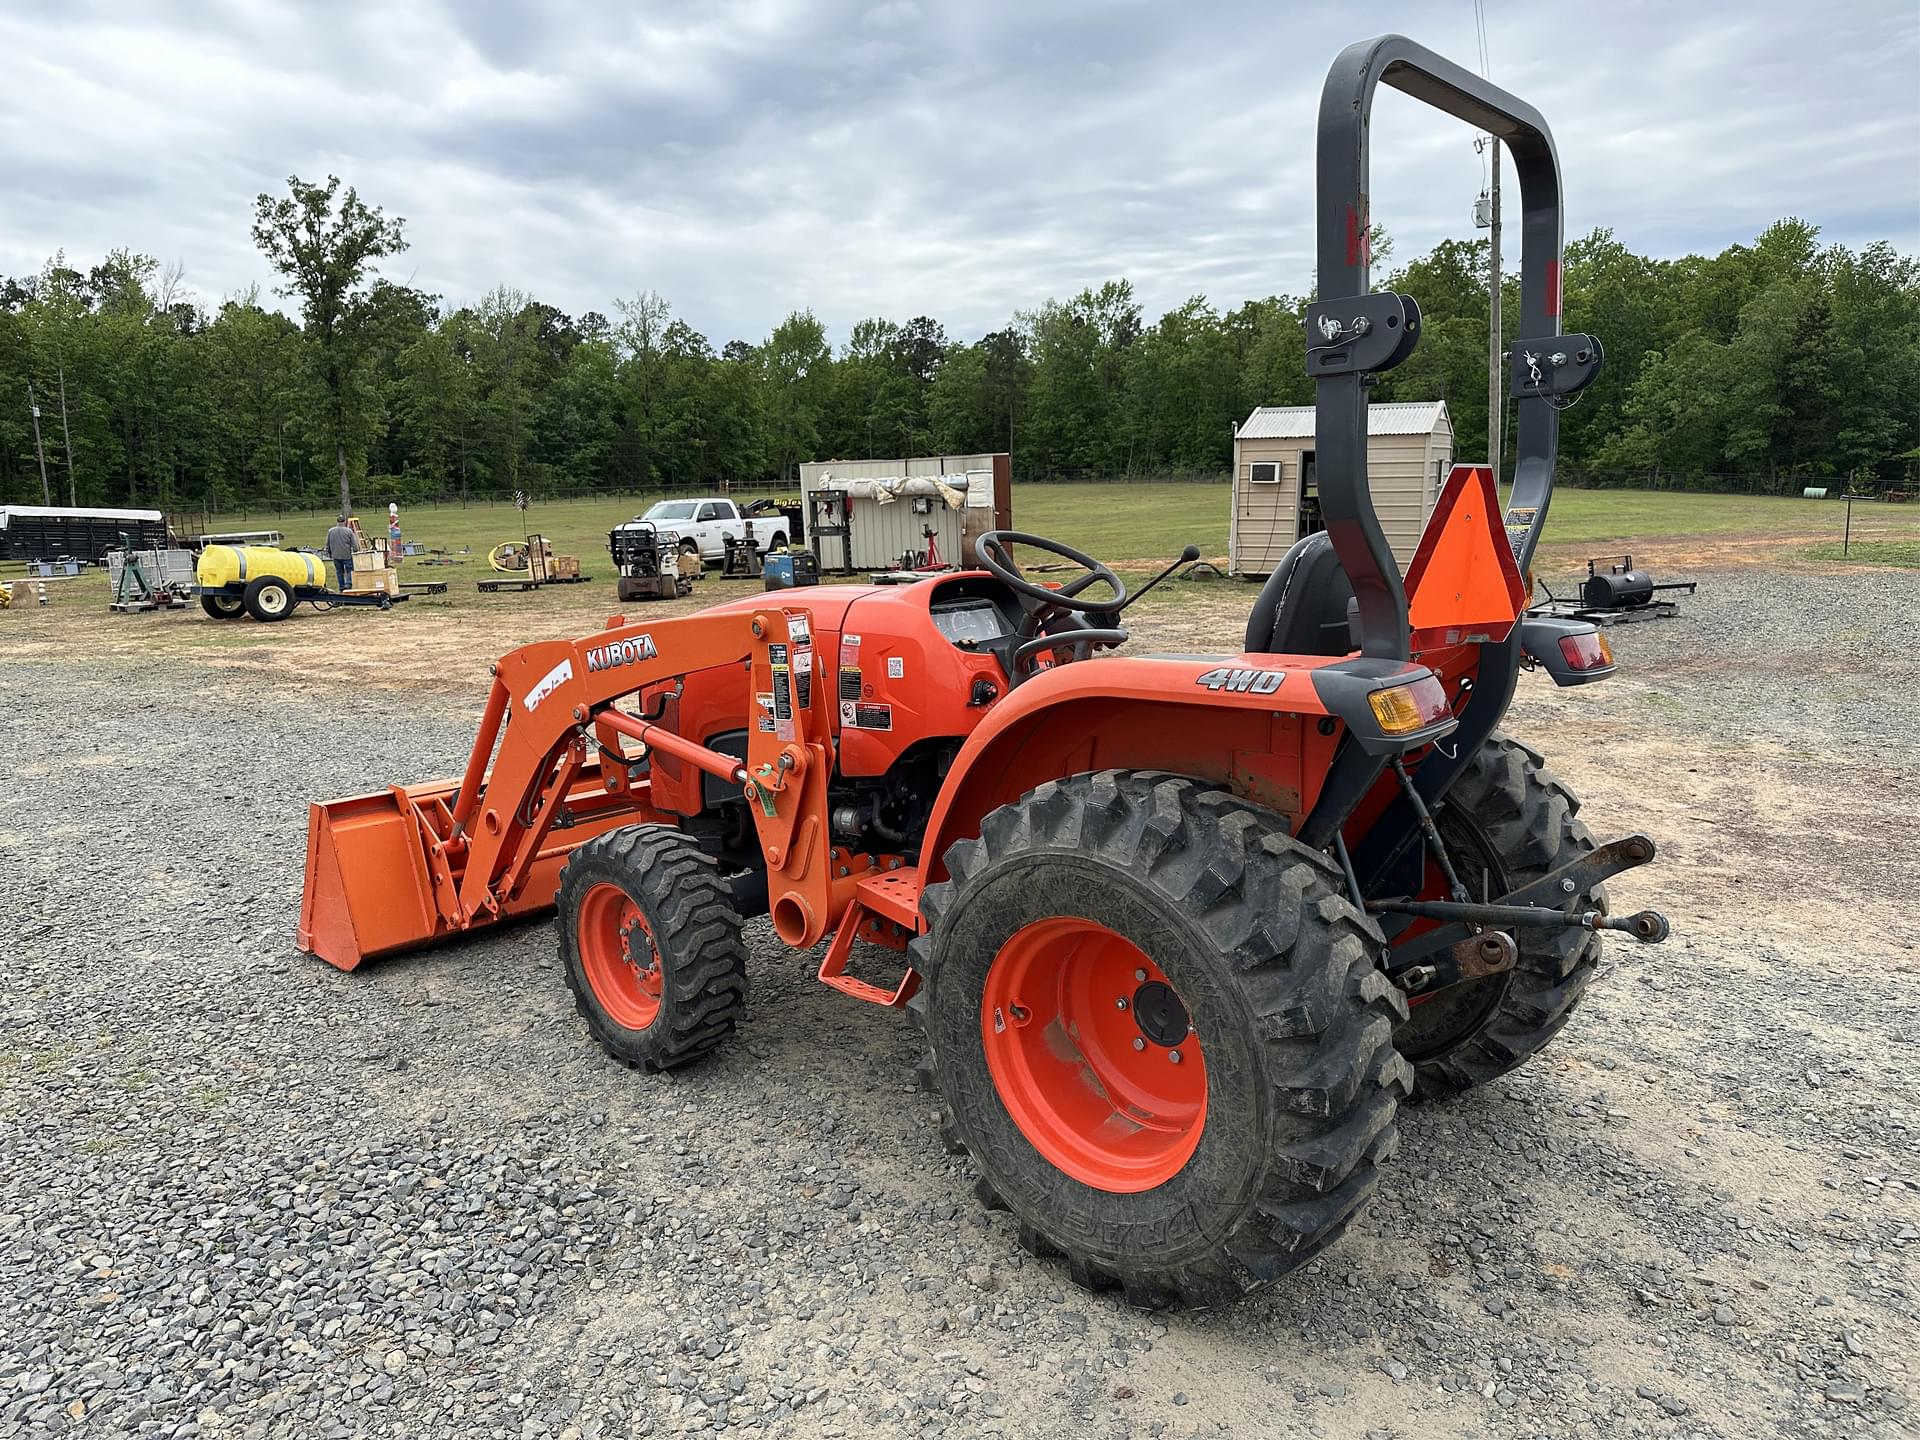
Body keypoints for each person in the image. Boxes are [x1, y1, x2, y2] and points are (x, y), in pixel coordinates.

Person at [325, 515, 357, 592]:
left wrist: (329, 553)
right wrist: (356, 551)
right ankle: (348, 584)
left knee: (339, 572)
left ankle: (341, 587)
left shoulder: (331, 531)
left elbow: (327, 544)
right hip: (346, 555)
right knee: (349, 570)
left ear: (337, 522)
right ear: (344, 522)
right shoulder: (348, 531)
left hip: (335, 555)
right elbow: (354, 544)